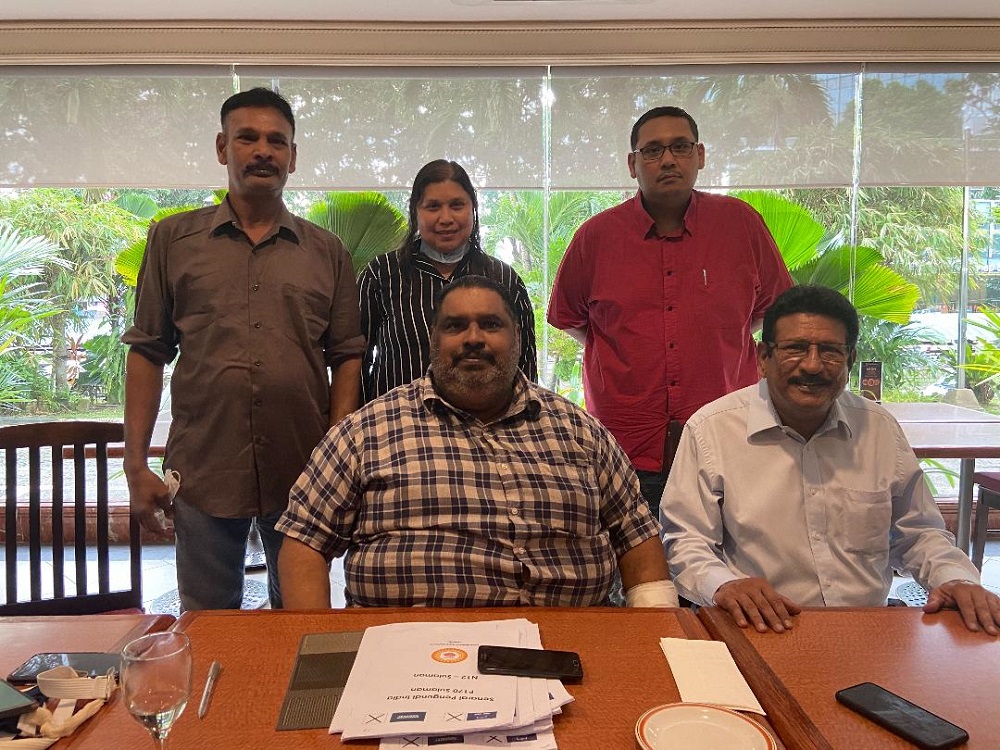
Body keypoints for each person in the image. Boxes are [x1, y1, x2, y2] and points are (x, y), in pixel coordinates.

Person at [277, 275, 676, 609]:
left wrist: (652, 640)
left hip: (574, 653)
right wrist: (320, 648)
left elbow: (636, 535)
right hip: (405, 659)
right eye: (455, 326)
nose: (473, 338)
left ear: (517, 337)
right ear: (434, 339)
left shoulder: (582, 433)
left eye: (490, 324)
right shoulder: (365, 432)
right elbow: (304, 542)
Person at [122, 87, 365, 612]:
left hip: (304, 471)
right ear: (221, 147)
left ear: (293, 156)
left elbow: (347, 355)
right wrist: (135, 462)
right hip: (205, 466)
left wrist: (338, 458)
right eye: (247, 137)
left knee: (302, 627)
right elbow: (146, 350)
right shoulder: (172, 240)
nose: (263, 151)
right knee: (209, 625)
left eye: (277, 141)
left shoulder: (328, 252)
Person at [661, 284, 1000, 635]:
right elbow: (686, 541)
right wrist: (723, 585)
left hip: (868, 631)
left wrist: (956, 578)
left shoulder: (879, 430)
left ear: (850, 359)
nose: (812, 365)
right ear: (764, 357)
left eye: (830, 351)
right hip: (759, 627)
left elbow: (918, 533)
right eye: (795, 349)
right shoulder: (712, 430)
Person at [547, 106, 793, 510]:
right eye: (652, 150)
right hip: (624, 448)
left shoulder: (741, 225)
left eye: (680, 147)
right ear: (632, 164)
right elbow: (571, 319)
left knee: (726, 568)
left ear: (699, 156)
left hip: (726, 440)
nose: (667, 159)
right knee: (632, 572)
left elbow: (774, 311)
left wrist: (721, 340)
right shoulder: (596, 237)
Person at [359, 159, 537, 403]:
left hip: (488, 431)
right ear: (415, 212)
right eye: (432, 206)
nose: (446, 218)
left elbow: (525, 364)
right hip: (399, 430)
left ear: (472, 208)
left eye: (457, 205)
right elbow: (356, 362)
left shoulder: (504, 279)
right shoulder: (381, 274)